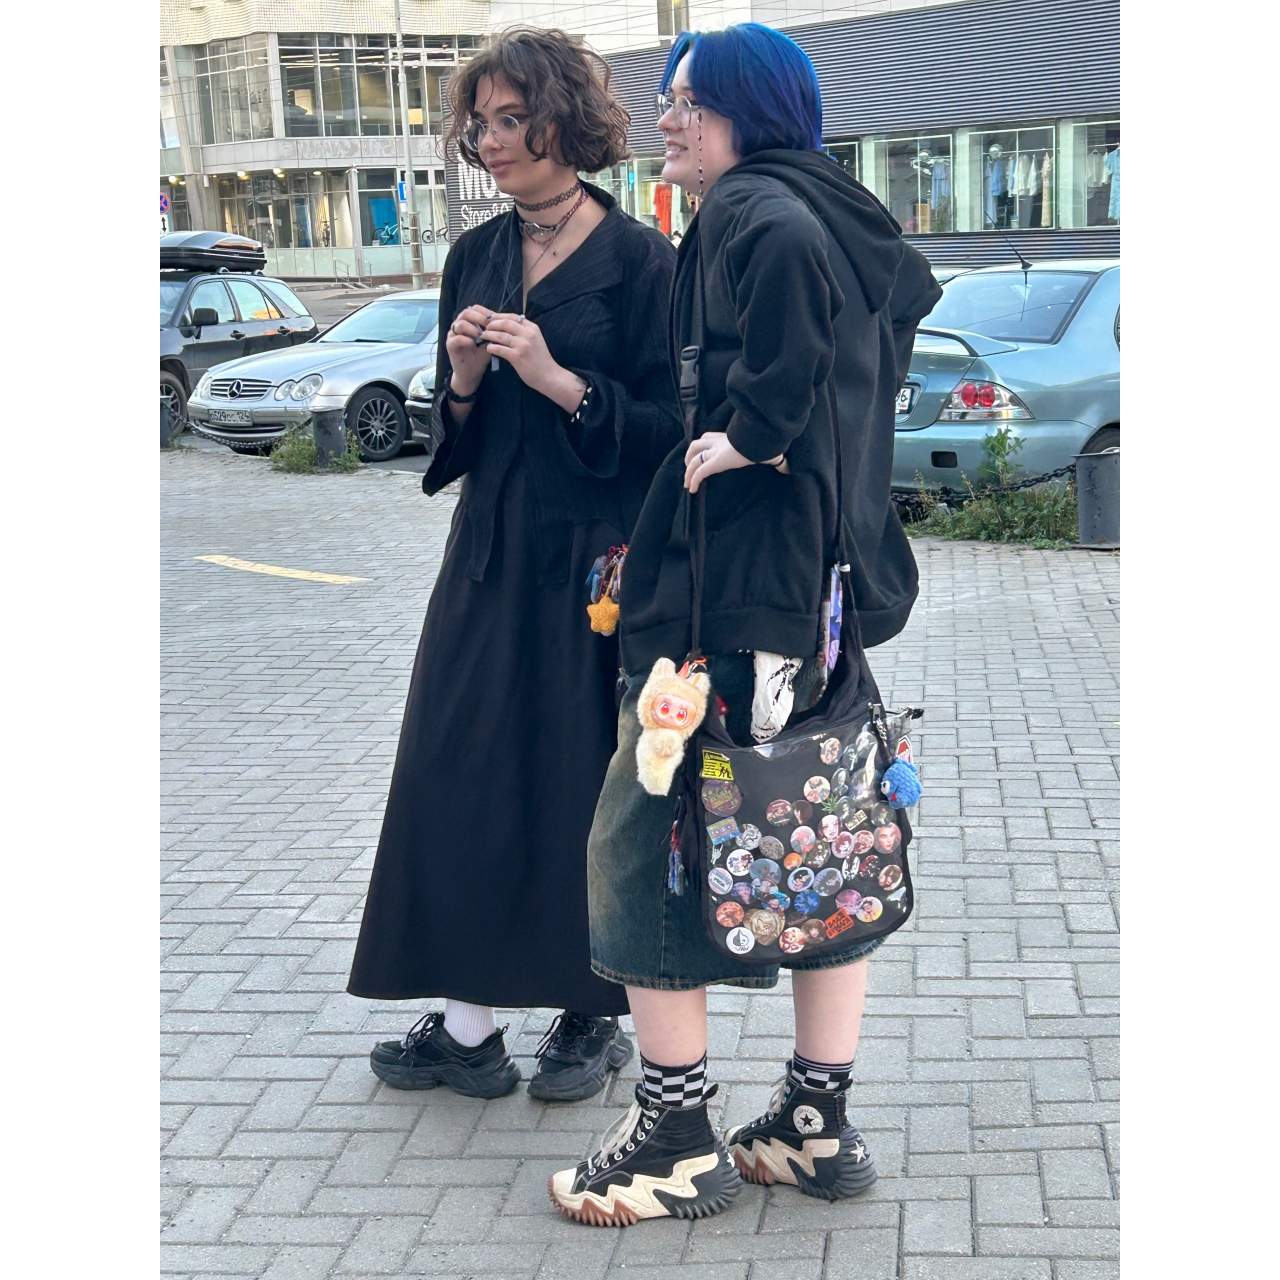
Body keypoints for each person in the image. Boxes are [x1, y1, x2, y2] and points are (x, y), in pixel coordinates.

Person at [549, 23, 941, 1223]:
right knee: (817, 831)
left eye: (690, 100)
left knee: (641, 842)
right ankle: (813, 1122)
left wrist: (752, 437)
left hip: (730, 594)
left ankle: (674, 1135)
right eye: (668, 98)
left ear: (750, 111)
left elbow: (790, 358)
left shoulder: (753, 213)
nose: (667, 119)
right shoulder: (832, 209)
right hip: (813, 592)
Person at [347, 27, 682, 1105]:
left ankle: (593, 1017)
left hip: (597, 566)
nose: (488, 140)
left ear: (563, 121)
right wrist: (459, 380)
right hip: (489, 553)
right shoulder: (477, 255)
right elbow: (457, 440)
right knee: (459, 768)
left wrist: (559, 381)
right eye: (479, 122)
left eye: (509, 119)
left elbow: (671, 434)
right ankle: (467, 1026)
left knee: (585, 781)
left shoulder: (640, 261)